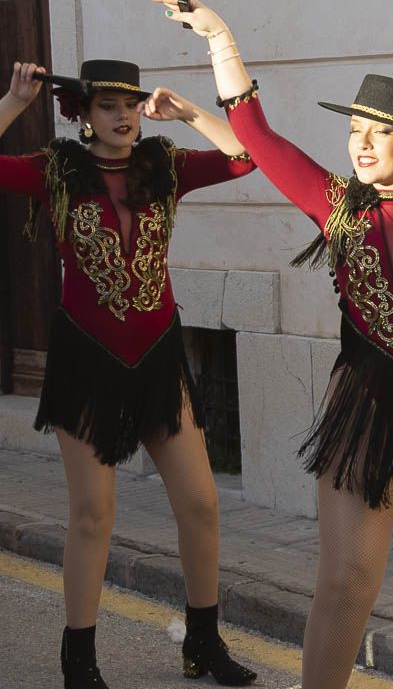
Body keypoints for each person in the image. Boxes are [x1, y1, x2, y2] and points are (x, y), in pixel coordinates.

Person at [145, 0, 393, 689]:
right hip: (364, 399)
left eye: (380, 133)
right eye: (353, 132)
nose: (361, 146)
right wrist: (221, 39)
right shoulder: (333, 203)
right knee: (346, 583)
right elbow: (254, 134)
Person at [0, 59, 257, 687]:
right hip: (85, 360)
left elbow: (247, 157)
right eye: (109, 105)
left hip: (158, 358)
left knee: (200, 503)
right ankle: (79, 661)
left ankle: (202, 643)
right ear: (83, 113)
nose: (123, 116)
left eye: (132, 105)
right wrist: (11, 101)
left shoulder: (164, 166)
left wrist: (193, 113)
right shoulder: (56, 170)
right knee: (93, 513)